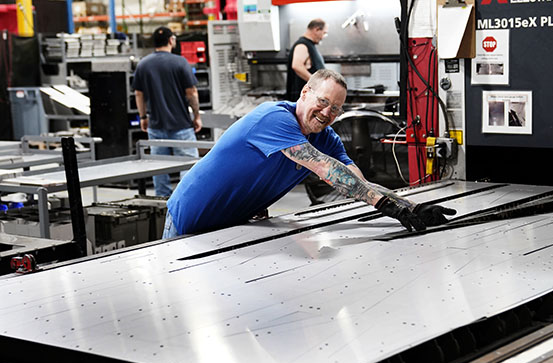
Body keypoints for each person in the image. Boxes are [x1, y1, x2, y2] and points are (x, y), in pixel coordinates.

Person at [163, 69, 456, 238]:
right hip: (189, 218)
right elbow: (327, 170)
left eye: (336, 108)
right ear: (305, 93)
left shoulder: (326, 138)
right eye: (322, 101)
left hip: (229, 225)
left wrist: (411, 206)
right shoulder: (275, 119)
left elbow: (358, 183)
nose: (327, 112)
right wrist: (389, 209)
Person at [133, 26, 203, 197]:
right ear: (171, 40)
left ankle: (162, 205)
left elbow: (139, 94)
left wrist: (143, 117)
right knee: (188, 166)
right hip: (181, 126)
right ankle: (186, 202)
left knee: (159, 168)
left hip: (156, 126)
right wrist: (197, 116)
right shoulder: (180, 62)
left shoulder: (143, 64)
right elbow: (191, 92)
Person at [285, 18, 328, 103]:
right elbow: (297, 66)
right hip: (302, 100)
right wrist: (317, 83)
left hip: (309, 98)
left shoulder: (310, 45)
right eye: (324, 33)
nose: (323, 37)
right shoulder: (302, 45)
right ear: (317, 29)